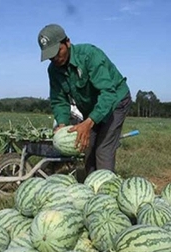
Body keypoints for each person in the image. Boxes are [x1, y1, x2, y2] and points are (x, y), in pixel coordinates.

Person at [37, 23, 131, 175]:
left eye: (57, 52)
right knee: (87, 146)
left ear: (67, 42)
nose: (54, 58)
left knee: (103, 149)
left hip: (115, 101)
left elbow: (108, 93)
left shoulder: (89, 56)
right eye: (50, 56)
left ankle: (105, 193)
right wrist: (62, 123)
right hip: (92, 105)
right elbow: (59, 100)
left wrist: (89, 122)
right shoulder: (53, 70)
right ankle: (91, 188)